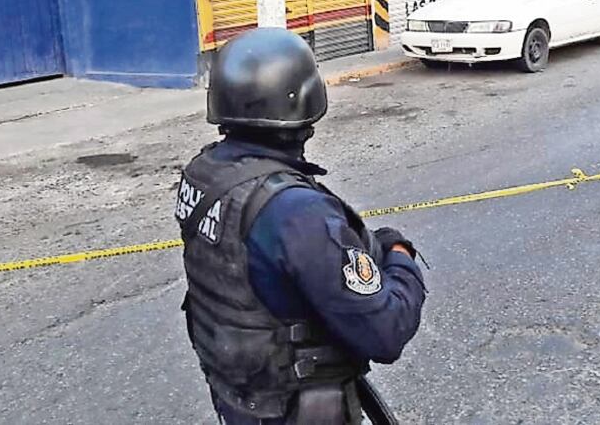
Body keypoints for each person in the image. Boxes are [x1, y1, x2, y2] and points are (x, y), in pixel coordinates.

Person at [176, 28, 426, 425]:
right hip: (296, 409)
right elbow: (387, 331)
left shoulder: (205, 174)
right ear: (305, 105)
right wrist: (400, 257)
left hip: (240, 397)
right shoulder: (298, 213)